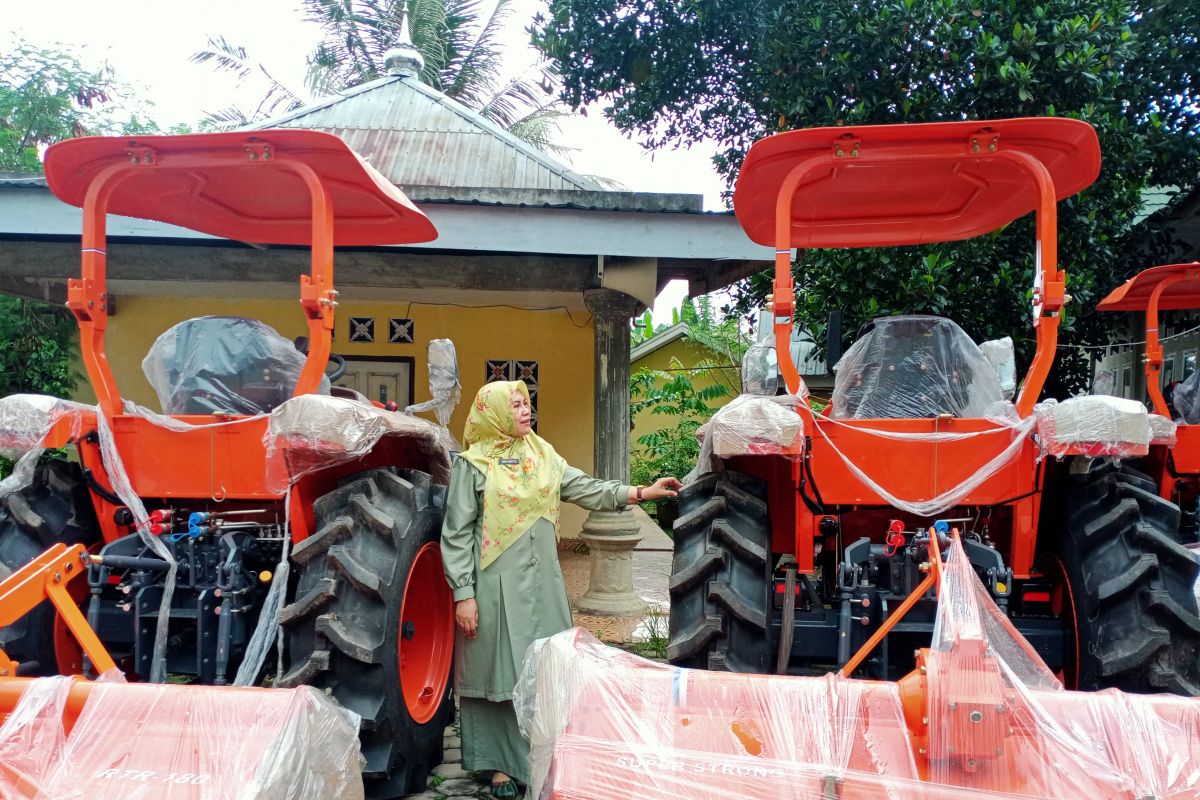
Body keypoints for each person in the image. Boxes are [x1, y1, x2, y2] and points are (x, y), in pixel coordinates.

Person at [440, 380, 682, 799]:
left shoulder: (542, 456)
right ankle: (500, 766)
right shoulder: (473, 465)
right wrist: (463, 593)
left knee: (548, 668)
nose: (523, 411)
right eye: (514, 405)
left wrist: (640, 492)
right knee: (500, 671)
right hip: (496, 585)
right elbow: (456, 534)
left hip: (544, 583)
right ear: (494, 411)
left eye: (526, 403)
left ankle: (541, 755)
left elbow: (587, 488)